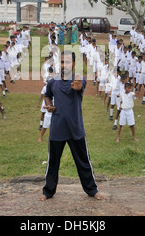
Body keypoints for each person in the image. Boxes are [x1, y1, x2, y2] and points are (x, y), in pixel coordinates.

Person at [40, 50, 103, 201]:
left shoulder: (79, 79)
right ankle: (48, 192)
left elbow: (79, 85)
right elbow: (47, 95)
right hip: (57, 128)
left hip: (75, 128)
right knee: (53, 162)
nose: (64, 65)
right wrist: (50, 105)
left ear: (74, 63)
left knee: (83, 161)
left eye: (67, 62)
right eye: (62, 62)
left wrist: (77, 86)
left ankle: (92, 190)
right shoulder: (52, 82)